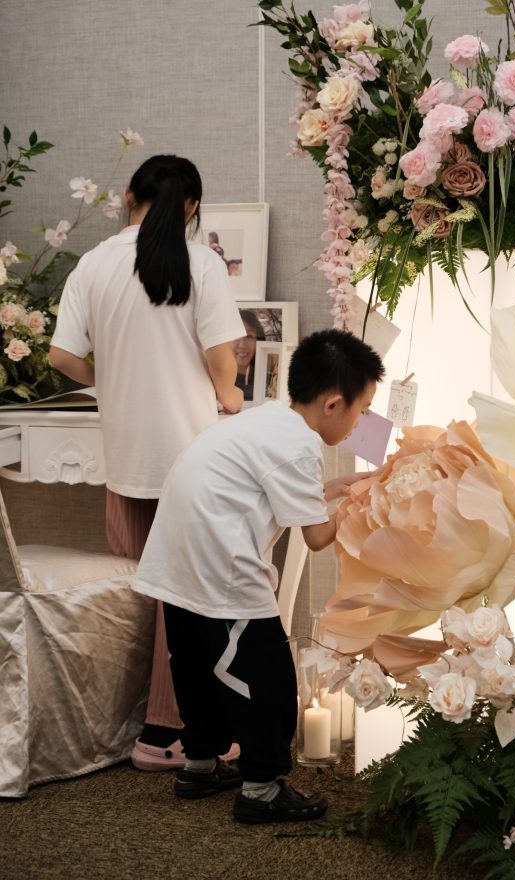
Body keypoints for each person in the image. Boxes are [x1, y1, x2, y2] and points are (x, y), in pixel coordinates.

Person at [133, 329, 385, 823]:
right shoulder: (300, 444)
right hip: (220, 564)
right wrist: (360, 502)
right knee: (266, 674)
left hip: (177, 557)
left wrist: (333, 488)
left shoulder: (266, 419)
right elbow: (317, 536)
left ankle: (200, 765)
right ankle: (262, 789)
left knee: (196, 663)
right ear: (333, 404)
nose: (361, 424)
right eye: (363, 411)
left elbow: (272, 489)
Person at [48, 154, 245, 772]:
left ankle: (135, 722)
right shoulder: (201, 263)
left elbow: (60, 357)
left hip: (126, 458)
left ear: (128, 196)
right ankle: (166, 732)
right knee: (182, 599)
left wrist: (108, 379)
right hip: (188, 458)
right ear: (191, 207)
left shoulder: (92, 263)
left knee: (140, 594)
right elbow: (221, 356)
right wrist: (231, 396)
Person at [232, 309, 265, 401]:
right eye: (236, 336)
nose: (242, 345)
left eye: (249, 336)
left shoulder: (266, 380)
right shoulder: (215, 378)